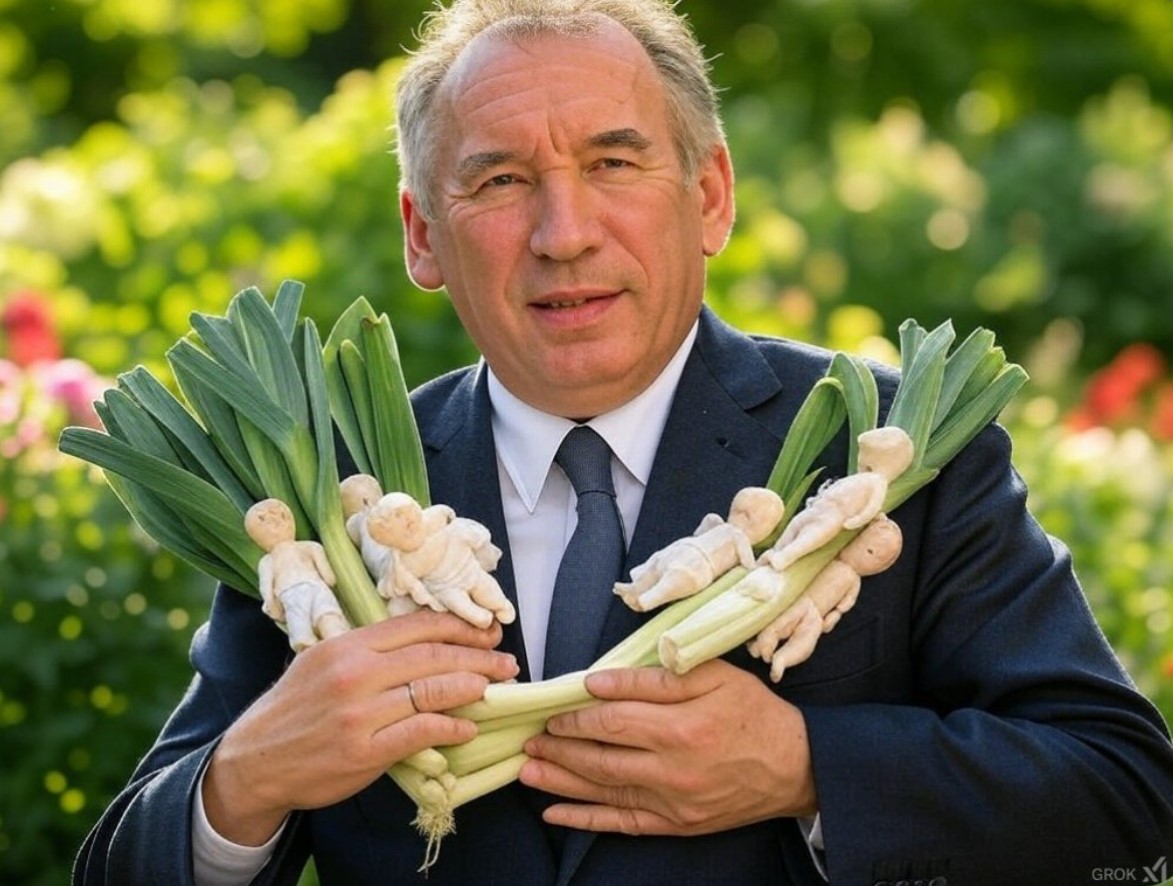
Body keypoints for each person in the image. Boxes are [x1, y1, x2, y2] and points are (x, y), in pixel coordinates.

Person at [73, 1, 1173, 884]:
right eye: (501, 180)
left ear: (709, 197)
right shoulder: (332, 496)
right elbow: (125, 861)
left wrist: (802, 769)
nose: (565, 234)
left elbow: (1124, 796)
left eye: (613, 164)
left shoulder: (890, 455)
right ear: (423, 235)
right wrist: (249, 777)